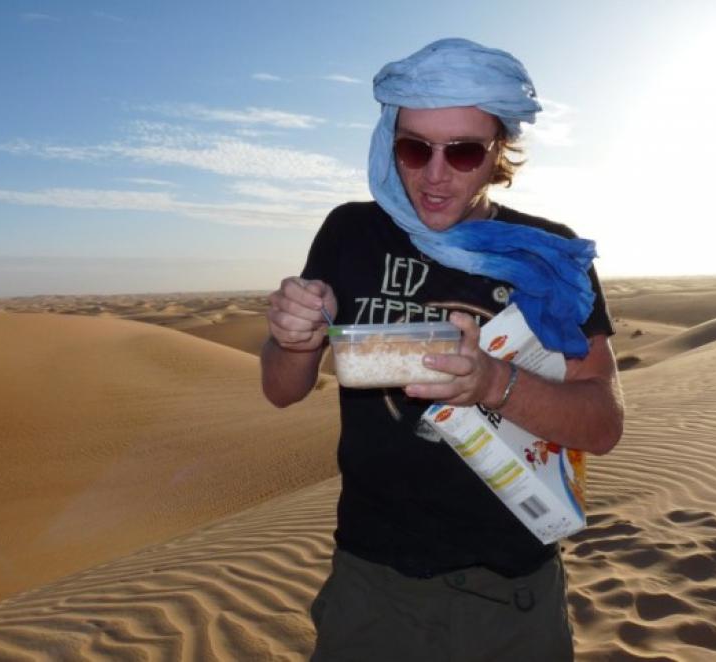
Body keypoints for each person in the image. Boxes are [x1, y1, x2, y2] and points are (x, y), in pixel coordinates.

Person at [260, 38, 624, 662]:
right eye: (414, 148)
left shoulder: (546, 256)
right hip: (372, 587)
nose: (434, 175)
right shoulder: (351, 232)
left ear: (499, 150)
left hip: (511, 595)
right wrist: (295, 339)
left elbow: (602, 423)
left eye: (462, 151)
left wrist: (492, 384)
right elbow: (281, 389)